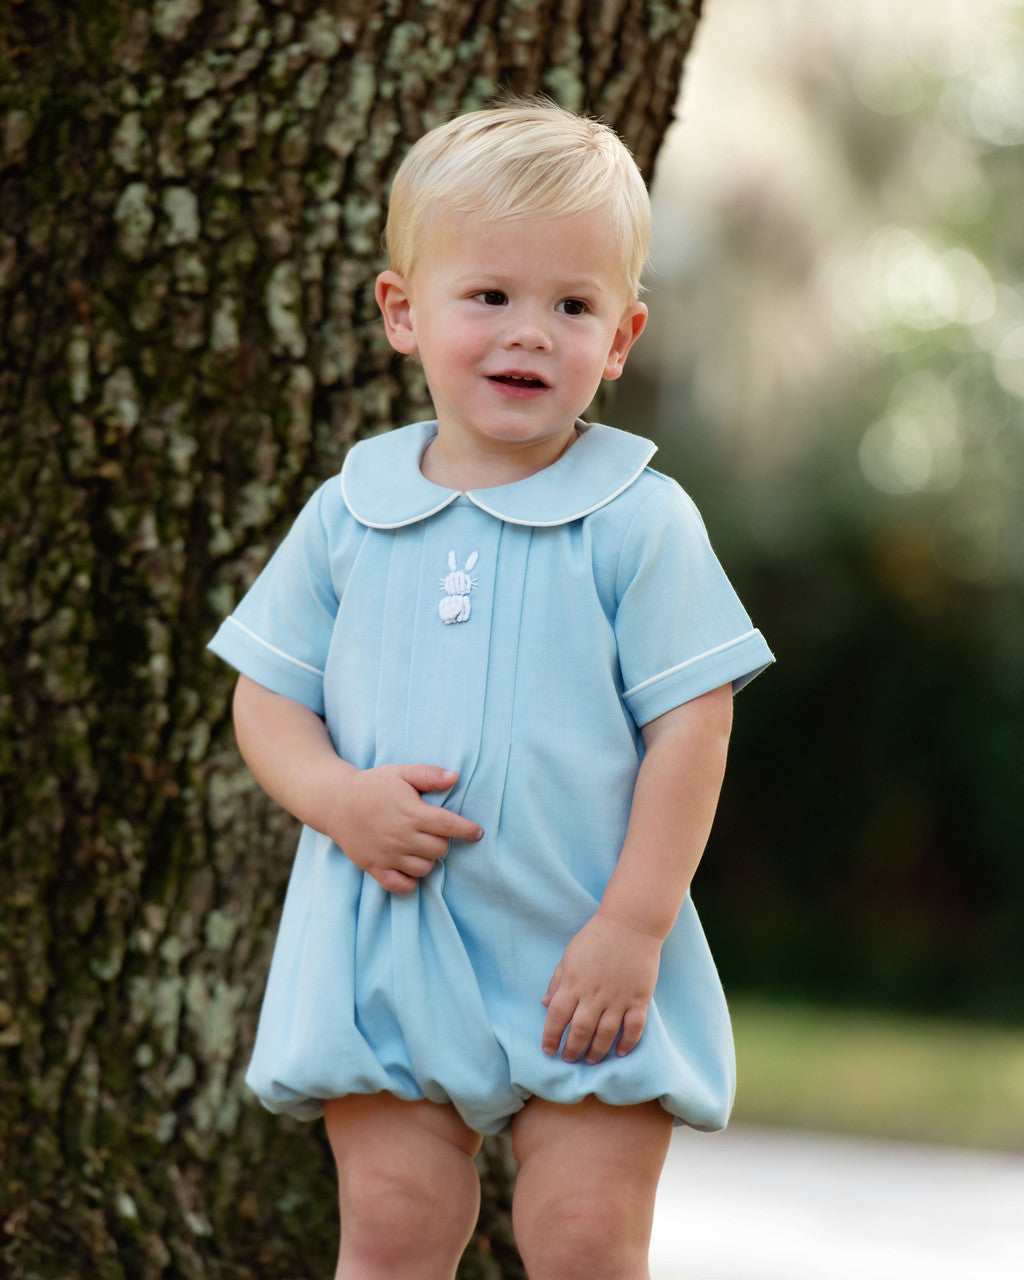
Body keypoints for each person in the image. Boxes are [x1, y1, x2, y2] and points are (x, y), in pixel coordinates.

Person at [208, 98, 773, 1280]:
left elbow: (693, 722)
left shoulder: (637, 519)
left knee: (583, 1238)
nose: (530, 332)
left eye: (572, 306)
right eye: (490, 297)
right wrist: (338, 799)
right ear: (403, 312)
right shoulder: (351, 512)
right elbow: (266, 697)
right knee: (395, 1229)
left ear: (620, 337)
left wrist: (635, 923)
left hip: (590, 949)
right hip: (391, 951)